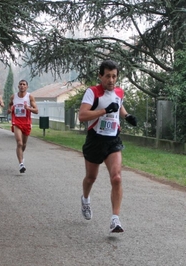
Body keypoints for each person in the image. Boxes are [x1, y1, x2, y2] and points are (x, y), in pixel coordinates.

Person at [78, 60, 137, 233]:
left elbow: (118, 105)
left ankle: (115, 220)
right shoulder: (92, 92)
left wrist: (127, 116)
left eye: (114, 76)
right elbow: (82, 115)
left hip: (113, 140)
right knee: (91, 178)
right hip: (95, 139)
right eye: (108, 76)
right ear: (100, 76)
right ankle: (86, 199)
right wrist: (104, 111)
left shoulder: (119, 91)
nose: (111, 80)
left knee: (117, 177)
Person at [8, 80, 38, 173]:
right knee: (19, 143)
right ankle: (21, 164)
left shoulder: (29, 97)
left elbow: (36, 110)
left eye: (24, 84)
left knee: (24, 144)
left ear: (26, 87)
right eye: (20, 84)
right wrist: (9, 110)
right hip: (17, 123)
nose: (22, 86)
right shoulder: (14, 96)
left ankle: (21, 155)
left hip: (27, 123)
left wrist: (28, 108)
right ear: (18, 86)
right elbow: (10, 105)